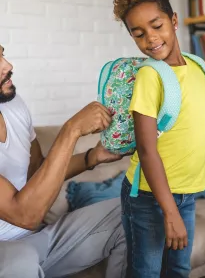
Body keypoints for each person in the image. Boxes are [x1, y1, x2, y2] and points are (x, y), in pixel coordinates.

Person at [113, 0, 205, 277]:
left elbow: (196, 125)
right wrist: (169, 211)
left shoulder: (198, 66)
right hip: (147, 197)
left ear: (174, 20)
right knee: (147, 272)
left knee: (179, 269)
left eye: (157, 26)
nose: (150, 39)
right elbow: (146, 148)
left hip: (187, 193)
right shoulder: (149, 76)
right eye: (138, 34)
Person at [0, 44, 127, 278]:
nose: (8, 66)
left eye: (2, 54)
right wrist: (72, 129)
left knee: (131, 213)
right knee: (22, 262)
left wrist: (92, 157)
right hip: (6, 250)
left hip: (36, 240)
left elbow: (37, 171)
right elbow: (25, 215)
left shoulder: (14, 106)